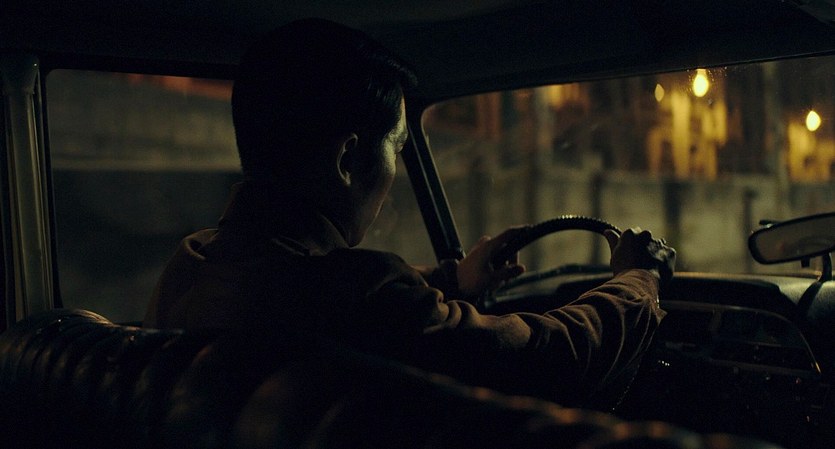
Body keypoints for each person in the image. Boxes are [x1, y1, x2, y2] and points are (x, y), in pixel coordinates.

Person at [143, 18, 676, 407]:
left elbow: (312, 285)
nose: (394, 174)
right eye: (397, 148)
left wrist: (453, 279)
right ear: (348, 159)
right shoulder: (360, 296)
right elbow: (548, 358)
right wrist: (638, 280)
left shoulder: (191, 265)